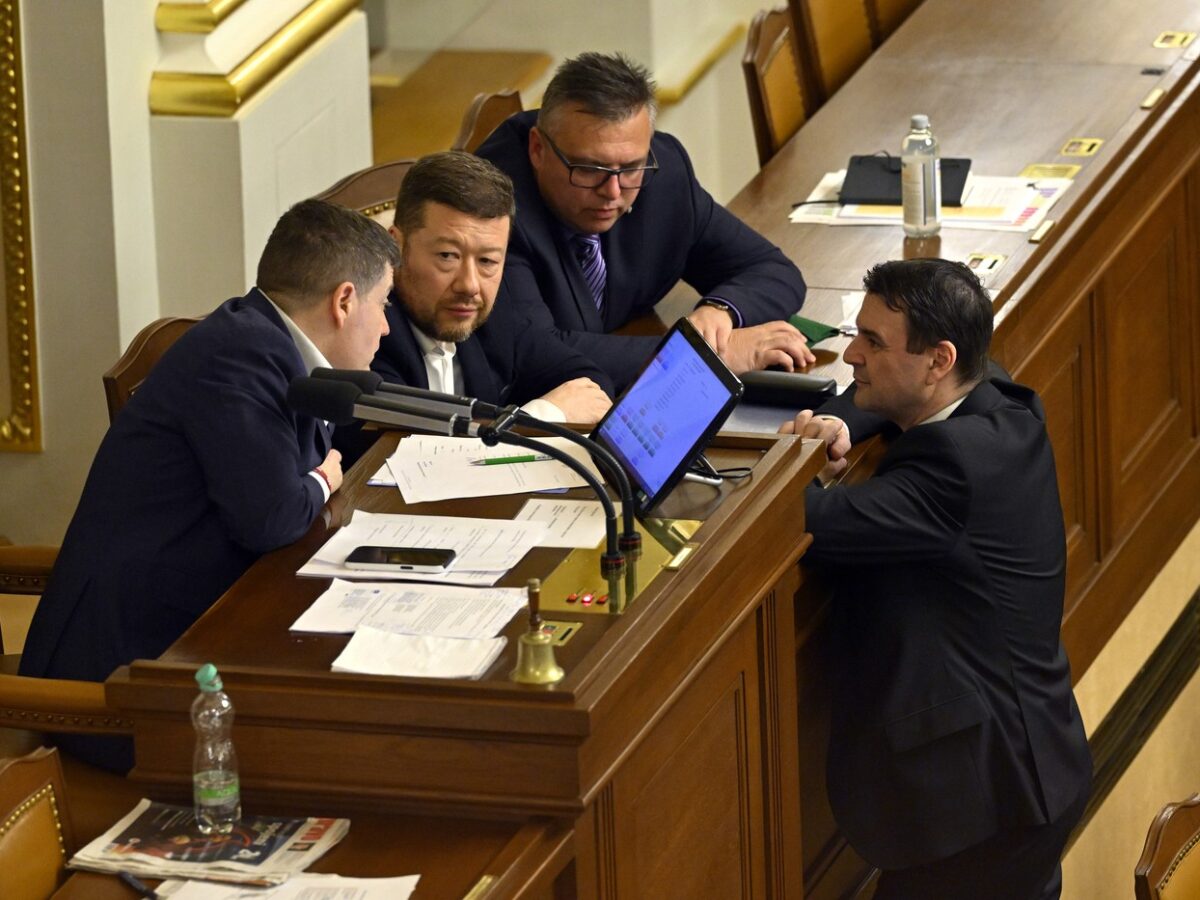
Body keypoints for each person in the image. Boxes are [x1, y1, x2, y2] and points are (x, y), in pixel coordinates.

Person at [20, 199, 400, 770]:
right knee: (351, 740)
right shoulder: (241, 355)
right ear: (344, 300)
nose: (387, 325)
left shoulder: (265, 341)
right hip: (127, 677)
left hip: (197, 635)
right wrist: (322, 480)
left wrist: (312, 480)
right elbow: (272, 516)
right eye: (384, 303)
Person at [783, 259, 1091, 899]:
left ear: (938, 360)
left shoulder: (952, 465)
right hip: (1027, 768)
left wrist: (787, 462)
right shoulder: (998, 396)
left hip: (985, 807)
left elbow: (810, 521)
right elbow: (892, 398)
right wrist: (842, 422)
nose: (851, 355)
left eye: (873, 343)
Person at [476, 52, 814, 391]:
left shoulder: (663, 171)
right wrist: (701, 356)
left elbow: (772, 270)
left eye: (630, 168)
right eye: (589, 169)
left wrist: (718, 314)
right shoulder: (489, 210)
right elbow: (535, 354)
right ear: (537, 149)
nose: (612, 191)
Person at [371, 150, 612, 424]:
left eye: (487, 261)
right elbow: (406, 443)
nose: (469, 285)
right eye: (447, 256)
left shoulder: (494, 315)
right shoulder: (367, 333)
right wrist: (541, 415)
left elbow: (586, 384)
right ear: (396, 247)